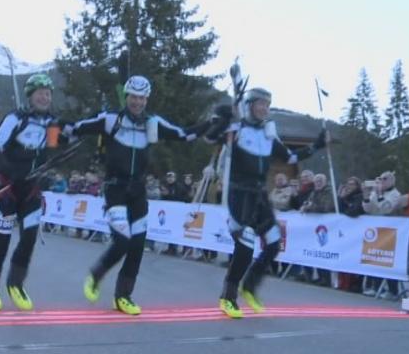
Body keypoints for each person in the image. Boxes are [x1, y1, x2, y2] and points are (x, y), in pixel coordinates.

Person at [65, 75, 221, 315]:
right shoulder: (110, 120)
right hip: (115, 188)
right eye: (133, 97)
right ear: (126, 96)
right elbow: (77, 128)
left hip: (138, 190)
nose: (137, 102)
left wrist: (210, 123)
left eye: (142, 98)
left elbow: (183, 135)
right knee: (123, 241)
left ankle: (123, 296)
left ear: (147, 99)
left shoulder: (152, 122)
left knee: (137, 245)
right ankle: (96, 275)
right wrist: (53, 133)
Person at [206, 87, 327, 318]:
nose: (264, 109)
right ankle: (227, 297)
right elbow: (211, 137)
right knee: (245, 246)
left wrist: (316, 146)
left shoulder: (268, 133)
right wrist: (223, 119)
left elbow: (289, 157)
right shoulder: (237, 128)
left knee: (273, 243)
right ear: (250, 105)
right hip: (239, 194)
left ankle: (249, 287)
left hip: (260, 194)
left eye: (267, 105)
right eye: (260, 104)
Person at [0, 73, 66, 311]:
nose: (44, 97)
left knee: (29, 237)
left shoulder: (52, 124)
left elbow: (49, 153)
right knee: (2, 239)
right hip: (6, 188)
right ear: (31, 96)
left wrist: (47, 174)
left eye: (48, 93)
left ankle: (16, 284)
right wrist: (11, 172)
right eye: (40, 93)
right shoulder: (16, 118)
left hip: (30, 190)